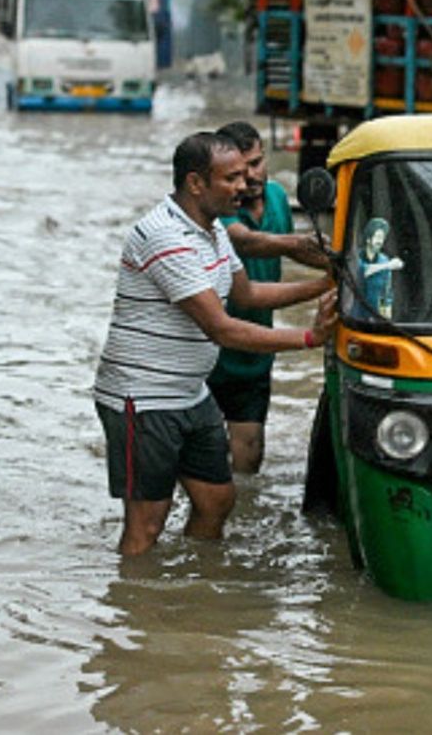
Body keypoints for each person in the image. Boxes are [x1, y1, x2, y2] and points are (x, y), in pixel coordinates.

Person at [93, 131, 336, 556]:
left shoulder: (213, 230)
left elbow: (246, 295)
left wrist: (324, 284)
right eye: (232, 178)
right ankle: (134, 610)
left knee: (217, 501)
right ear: (195, 183)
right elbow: (222, 328)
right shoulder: (165, 237)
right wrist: (310, 337)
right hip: (144, 397)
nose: (244, 186)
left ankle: (192, 597)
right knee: (148, 523)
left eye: (246, 175)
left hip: (190, 392)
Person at [207, 121, 329, 474]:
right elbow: (245, 240)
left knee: (251, 449)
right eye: (240, 170)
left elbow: (295, 253)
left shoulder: (276, 197)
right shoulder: (217, 209)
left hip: (258, 345)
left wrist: (340, 264)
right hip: (212, 346)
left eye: (257, 163)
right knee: (205, 458)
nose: (252, 175)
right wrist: (299, 247)